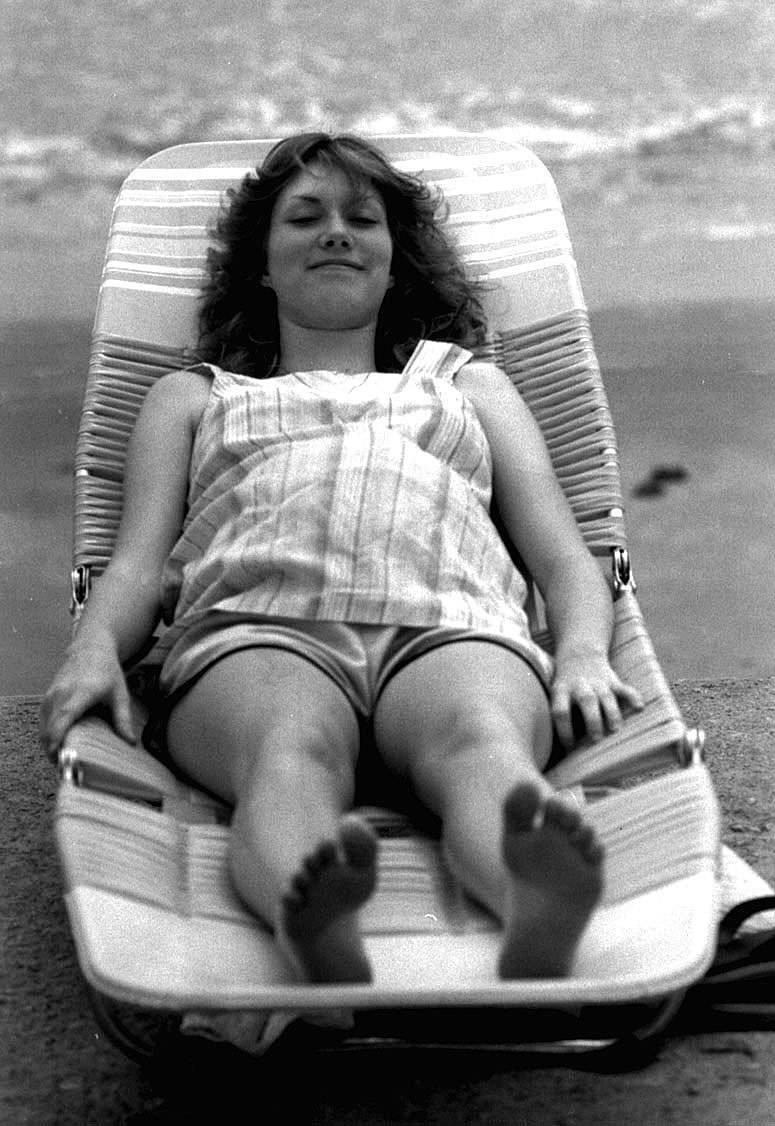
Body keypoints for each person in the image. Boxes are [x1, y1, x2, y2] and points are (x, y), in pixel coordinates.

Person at [41, 132, 642, 986]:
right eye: (306, 217)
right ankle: (309, 907)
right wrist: (94, 649)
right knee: (287, 751)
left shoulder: (467, 384)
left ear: (395, 265)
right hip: (256, 628)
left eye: (363, 219)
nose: (336, 232)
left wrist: (581, 650)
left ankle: (533, 893)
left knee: (481, 741)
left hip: (450, 620)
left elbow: (565, 555)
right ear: (261, 263)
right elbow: (134, 566)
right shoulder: (194, 398)